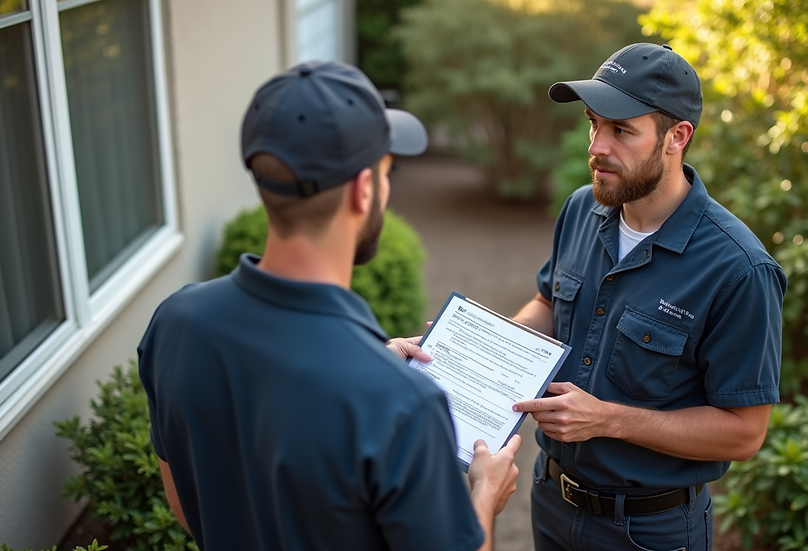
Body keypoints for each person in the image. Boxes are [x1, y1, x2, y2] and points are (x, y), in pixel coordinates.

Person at [137, 60, 521, 551]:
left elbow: (188, 510)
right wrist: (485, 497)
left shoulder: (175, 322)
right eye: (388, 172)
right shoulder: (404, 407)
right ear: (364, 190)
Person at [509, 43, 787, 550]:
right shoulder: (580, 209)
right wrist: (478, 350)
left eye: (621, 130)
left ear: (677, 137)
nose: (596, 146)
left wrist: (608, 420)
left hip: (647, 530)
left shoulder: (739, 269)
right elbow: (548, 303)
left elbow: (744, 433)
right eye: (594, 124)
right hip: (550, 498)